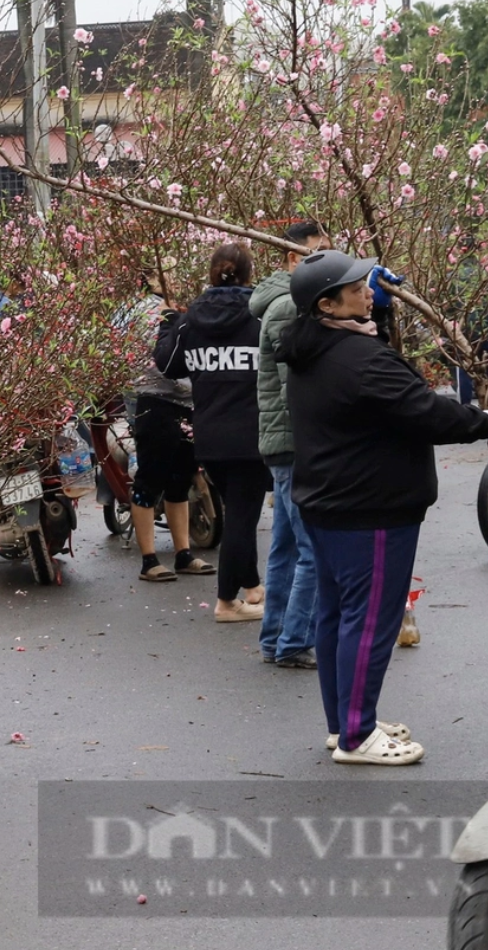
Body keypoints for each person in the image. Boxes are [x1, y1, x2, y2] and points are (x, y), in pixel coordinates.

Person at [280, 253, 488, 765]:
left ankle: (346, 724)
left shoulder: (315, 348)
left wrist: (377, 312)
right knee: (368, 622)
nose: (369, 292)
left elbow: (383, 380)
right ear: (327, 304)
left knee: (338, 615)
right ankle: (358, 737)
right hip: (371, 508)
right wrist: (484, 421)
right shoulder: (358, 360)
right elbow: (423, 410)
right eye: (358, 288)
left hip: (331, 501)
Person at [157, 243, 270, 624]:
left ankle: (252, 587)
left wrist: (167, 325)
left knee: (238, 511)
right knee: (241, 517)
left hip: (210, 434)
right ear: (249, 274)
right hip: (254, 433)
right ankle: (226, 601)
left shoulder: (191, 319)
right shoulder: (261, 315)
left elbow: (169, 366)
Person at [251, 220, 330, 667]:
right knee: (312, 550)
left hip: (285, 442)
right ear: (292, 258)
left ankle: (276, 636)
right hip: (294, 442)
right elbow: (293, 387)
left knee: (285, 546)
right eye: (318, 254)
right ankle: (294, 641)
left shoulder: (286, 301)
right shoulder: (287, 307)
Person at [123, 289, 207, 582]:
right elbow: (154, 354)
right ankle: (149, 560)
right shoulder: (145, 310)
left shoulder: (192, 303)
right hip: (155, 399)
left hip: (189, 402)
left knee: (181, 479)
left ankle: (183, 554)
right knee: (150, 478)